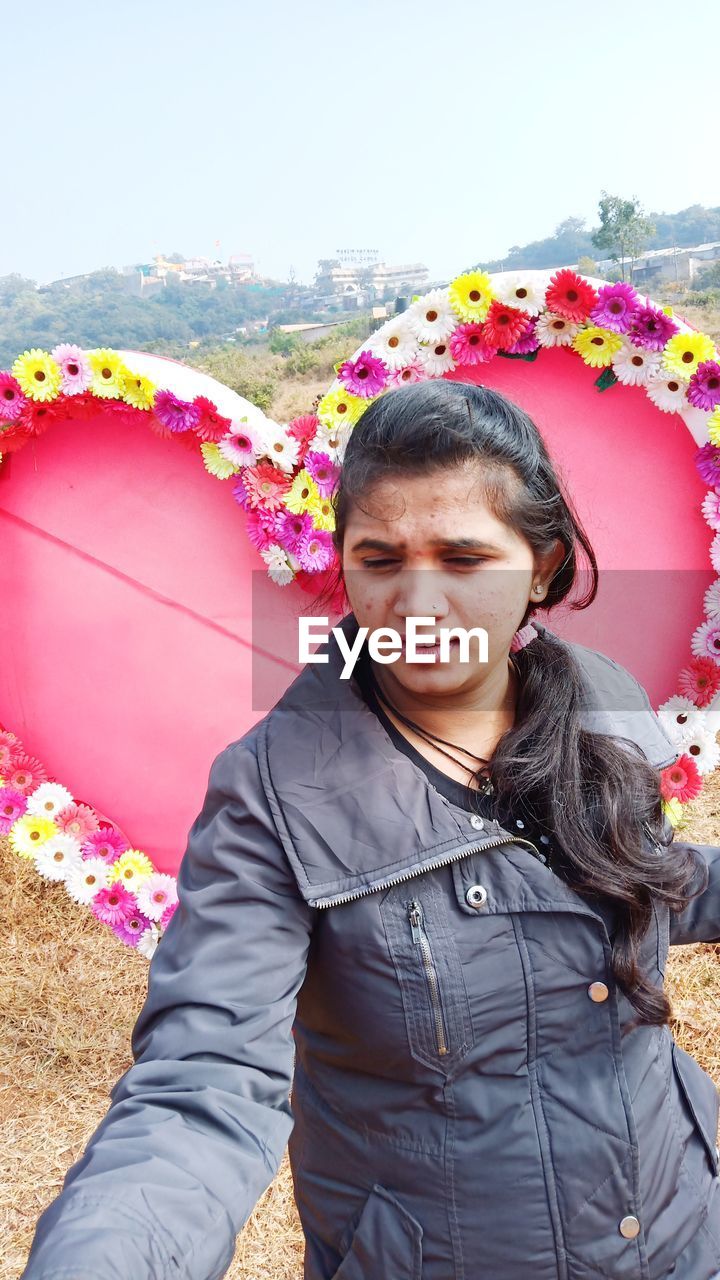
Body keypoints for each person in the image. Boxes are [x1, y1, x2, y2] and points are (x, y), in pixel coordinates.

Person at [21, 381, 720, 1280]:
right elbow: (203, 1084)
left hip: (679, 1228)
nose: (417, 602)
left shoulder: (598, 695)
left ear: (542, 566)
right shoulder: (273, 792)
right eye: (381, 559)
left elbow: (642, 869)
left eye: (465, 559)